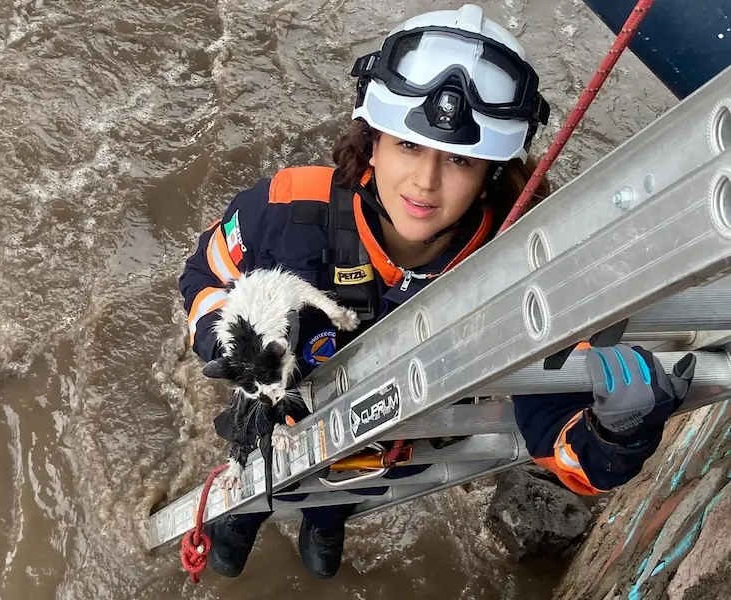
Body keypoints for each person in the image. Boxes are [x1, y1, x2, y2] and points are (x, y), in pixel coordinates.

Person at [178, 4, 696, 580]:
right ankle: (248, 515)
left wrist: (618, 435)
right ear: (370, 142)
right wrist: (220, 338)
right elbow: (204, 274)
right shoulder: (287, 208)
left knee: (336, 503)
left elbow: (563, 445)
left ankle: (326, 521)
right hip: (278, 419)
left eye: (458, 159)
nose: (425, 183)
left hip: (387, 444)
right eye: (406, 146)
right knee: (247, 495)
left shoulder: (515, 272)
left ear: (492, 175)